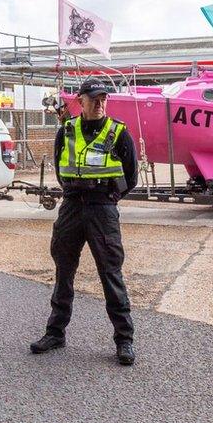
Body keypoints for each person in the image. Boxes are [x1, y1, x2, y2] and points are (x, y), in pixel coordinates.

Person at [31, 78, 138, 366]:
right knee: (63, 271)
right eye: (94, 99)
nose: (100, 103)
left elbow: (131, 176)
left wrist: (109, 198)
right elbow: (61, 167)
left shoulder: (118, 132)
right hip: (72, 207)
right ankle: (55, 333)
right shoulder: (66, 130)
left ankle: (124, 340)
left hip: (102, 208)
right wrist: (74, 192)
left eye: (104, 98)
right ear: (81, 101)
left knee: (110, 274)